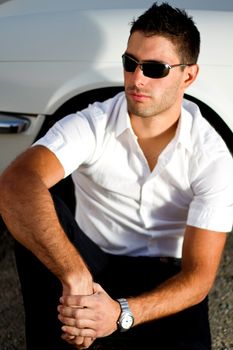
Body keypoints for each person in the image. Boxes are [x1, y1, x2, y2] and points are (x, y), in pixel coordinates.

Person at [0, 2, 233, 350]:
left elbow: (198, 278)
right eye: (130, 63)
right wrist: (75, 278)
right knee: (31, 202)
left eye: (155, 68)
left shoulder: (212, 157)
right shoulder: (94, 122)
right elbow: (16, 182)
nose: (136, 78)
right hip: (90, 263)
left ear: (188, 76)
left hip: (166, 277)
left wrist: (120, 313)